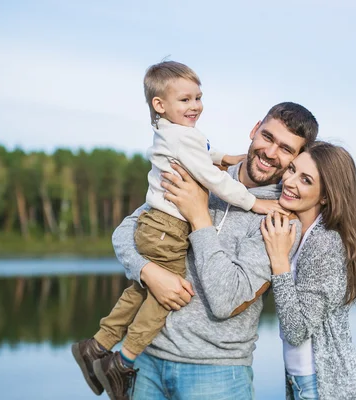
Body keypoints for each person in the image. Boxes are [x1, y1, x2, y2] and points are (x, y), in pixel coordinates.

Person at [71, 61, 285, 400]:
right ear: (255, 129)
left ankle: (98, 347)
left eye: (286, 149)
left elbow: (227, 300)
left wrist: (221, 167)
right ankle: (119, 360)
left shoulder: (282, 216)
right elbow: (124, 232)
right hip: (150, 363)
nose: (271, 152)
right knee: (160, 292)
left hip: (216, 372)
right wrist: (148, 271)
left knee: (146, 294)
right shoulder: (201, 178)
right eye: (268, 137)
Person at [260, 141, 356, 400]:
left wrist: (279, 262)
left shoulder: (326, 243)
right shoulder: (299, 231)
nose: (289, 181)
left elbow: (296, 330)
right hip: (302, 379)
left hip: (326, 387)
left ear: (325, 196)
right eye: (291, 170)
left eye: (306, 180)